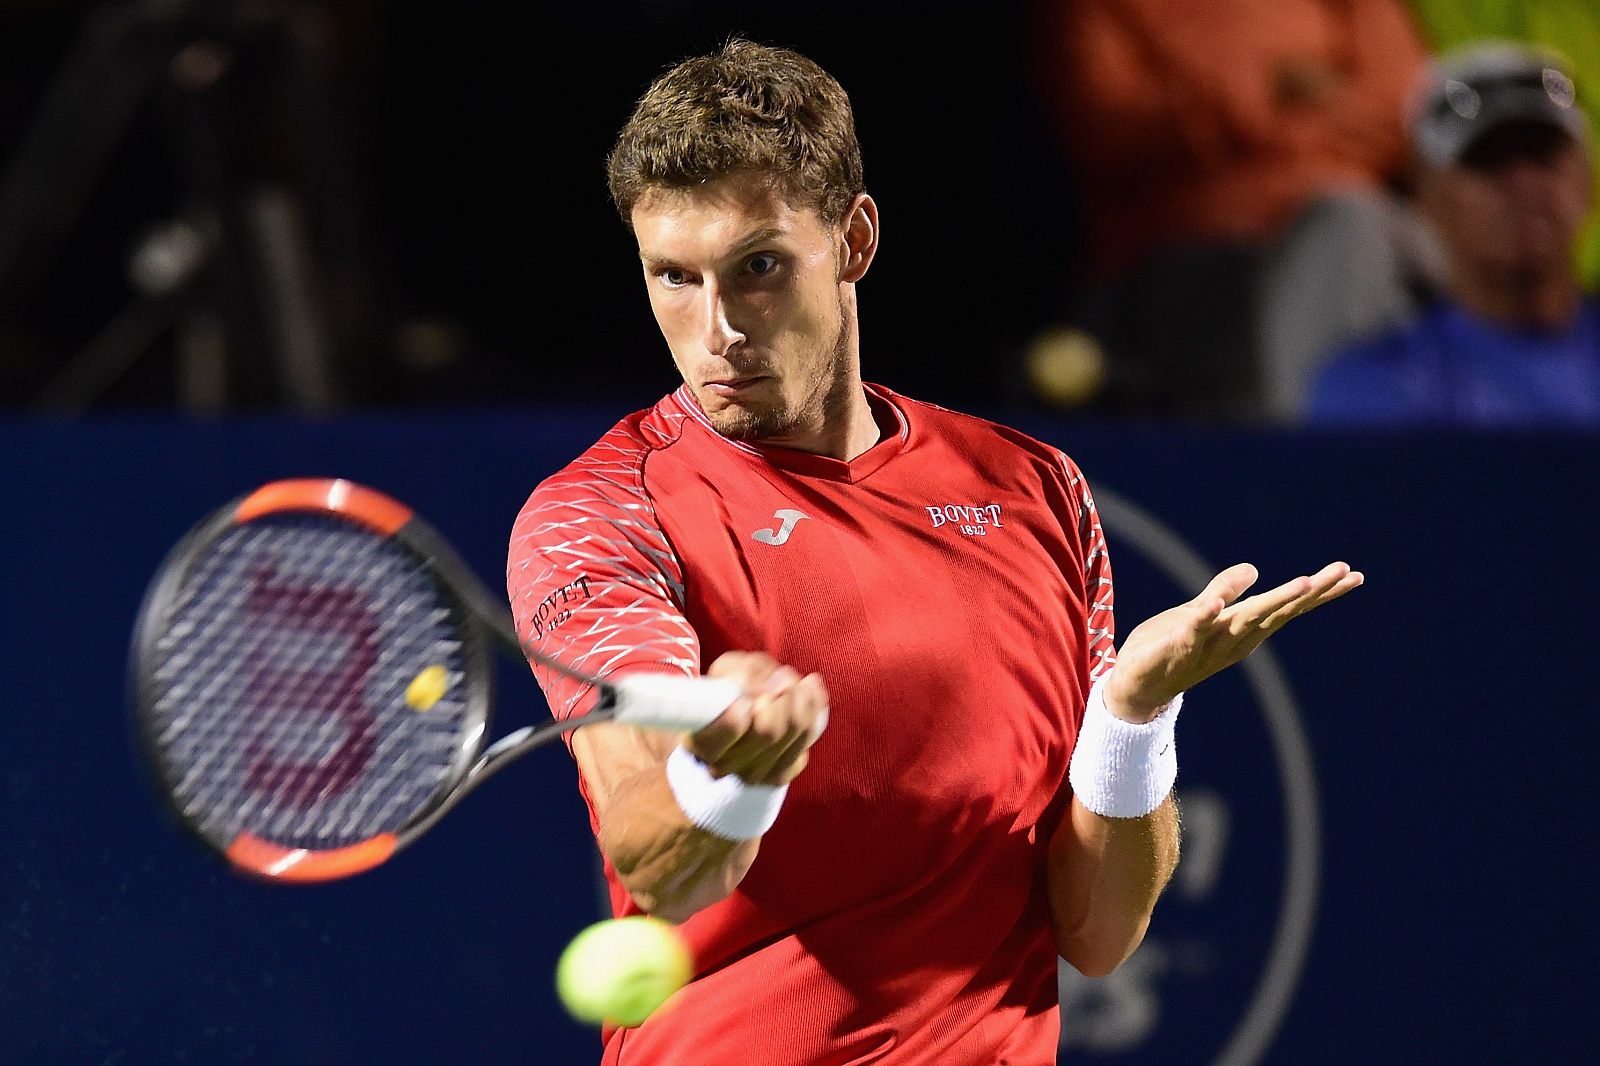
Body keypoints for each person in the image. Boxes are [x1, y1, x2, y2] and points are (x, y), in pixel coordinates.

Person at [507, 41, 1362, 1065]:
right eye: (673, 278)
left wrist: (1133, 715)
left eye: (759, 267)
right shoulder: (600, 515)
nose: (719, 327)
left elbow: (1096, 930)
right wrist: (736, 777)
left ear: (854, 239)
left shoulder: (1035, 491)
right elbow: (662, 865)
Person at [1030, 0, 1434, 421]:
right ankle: (1304, 459)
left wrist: (1230, 116)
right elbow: (1104, 128)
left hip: (1364, 227)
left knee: (1362, 228)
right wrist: (1267, 95)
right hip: (1189, 256)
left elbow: (1407, 111)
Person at [1310, 44, 1600, 427]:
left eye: (1543, 156)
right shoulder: (1378, 388)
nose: (1525, 182)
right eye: (1489, 160)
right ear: (1427, 196)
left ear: (1587, 180)